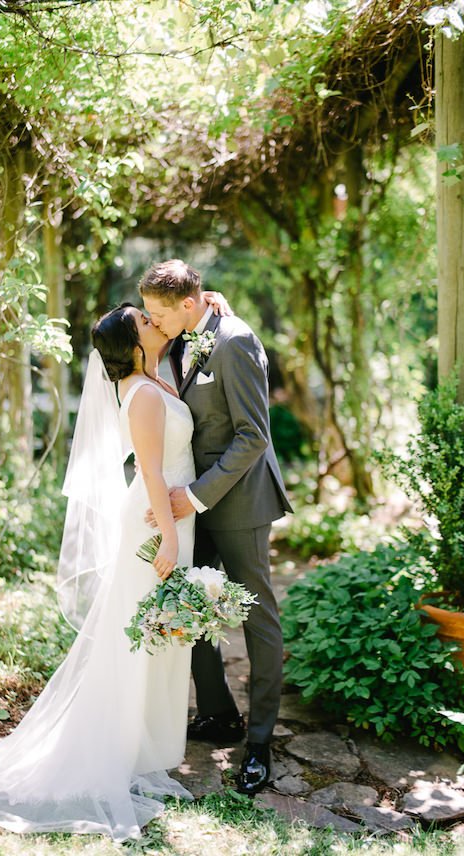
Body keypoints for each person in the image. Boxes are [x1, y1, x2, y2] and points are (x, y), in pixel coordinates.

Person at [0, 303, 197, 841]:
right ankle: (117, 751)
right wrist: (169, 534)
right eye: (144, 321)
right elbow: (149, 471)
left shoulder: (151, 380)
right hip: (155, 522)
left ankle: (141, 748)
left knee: (153, 637)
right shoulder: (145, 394)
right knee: (139, 641)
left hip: (169, 515)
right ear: (132, 343)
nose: (153, 321)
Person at [138, 259, 291, 795]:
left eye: (159, 313)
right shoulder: (184, 330)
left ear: (187, 303)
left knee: (256, 617)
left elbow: (252, 435)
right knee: (191, 606)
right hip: (187, 498)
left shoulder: (235, 341)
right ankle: (218, 714)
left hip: (237, 502)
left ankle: (260, 741)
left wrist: (196, 497)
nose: (153, 322)